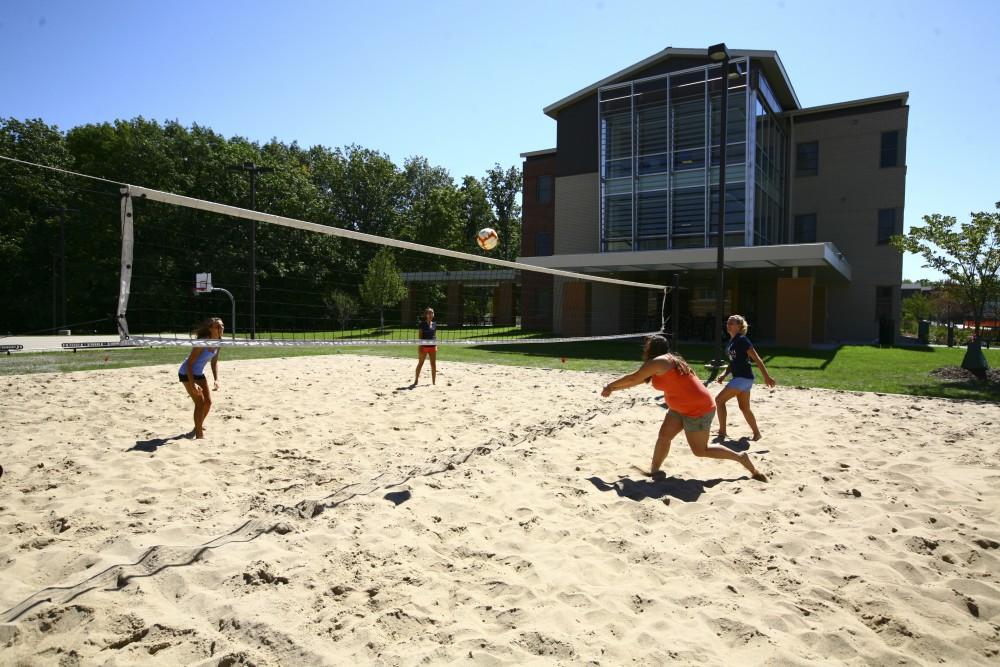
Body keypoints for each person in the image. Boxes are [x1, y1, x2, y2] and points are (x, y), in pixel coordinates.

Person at [601, 335, 766, 482]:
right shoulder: (667, 360)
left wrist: (610, 385)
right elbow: (637, 380)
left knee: (701, 450)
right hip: (679, 407)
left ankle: (741, 458)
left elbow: (634, 377)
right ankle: (655, 471)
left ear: (650, 349)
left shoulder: (660, 362)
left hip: (698, 408)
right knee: (664, 436)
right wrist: (613, 389)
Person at [715, 315, 775, 441]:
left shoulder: (742, 339)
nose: (728, 324)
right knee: (744, 408)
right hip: (743, 379)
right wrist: (724, 375)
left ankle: (722, 432)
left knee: (719, 400)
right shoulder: (732, 341)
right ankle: (757, 434)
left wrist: (766, 377)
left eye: (732, 323)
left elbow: (757, 359)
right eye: (728, 322)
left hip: (743, 378)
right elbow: (733, 362)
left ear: (740, 326)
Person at [178, 317, 223, 439]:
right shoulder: (203, 342)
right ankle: (199, 434)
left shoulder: (219, 342)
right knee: (200, 403)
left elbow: (214, 362)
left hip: (199, 373)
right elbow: (189, 364)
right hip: (187, 372)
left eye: (222, 326)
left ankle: (198, 424)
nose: (221, 328)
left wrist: (216, 379)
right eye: (217, 326)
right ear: (210, 329)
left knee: (208, 402)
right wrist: (192, 384)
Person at [413, 307, 437, 386]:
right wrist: (420, 347)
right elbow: (420, 336)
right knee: (421, 363)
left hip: (432, 346)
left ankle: (433, 382)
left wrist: (436, 345)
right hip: (424, 347)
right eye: (429, 313)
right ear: (426, 314)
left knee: (433, 364)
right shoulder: (422, 324)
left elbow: (434, 336)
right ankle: (416, 380)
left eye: (432, 313)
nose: (431, 314)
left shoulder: (434, 324)